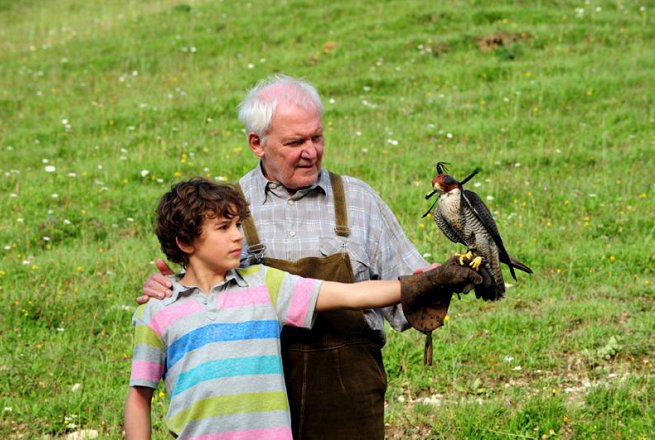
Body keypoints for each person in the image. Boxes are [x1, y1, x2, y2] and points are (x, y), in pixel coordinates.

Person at [139, 75, 443, 439]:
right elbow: (199, 291)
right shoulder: (227, 212)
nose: (311, 151)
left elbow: (410, 289)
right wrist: (165, 285)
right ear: (257, 143)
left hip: (348, 402)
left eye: (317, 137)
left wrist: (438, 280)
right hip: (255, 410)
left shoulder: (359, 200)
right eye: (295, 141)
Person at [125, 178, 480, 439]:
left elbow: (351, 295)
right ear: (185, 241)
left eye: (237, 225)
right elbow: (139, 395)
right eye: (223, 228)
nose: (238, 236)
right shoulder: (156, 311)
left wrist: (425, 283)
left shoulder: (263, 284)